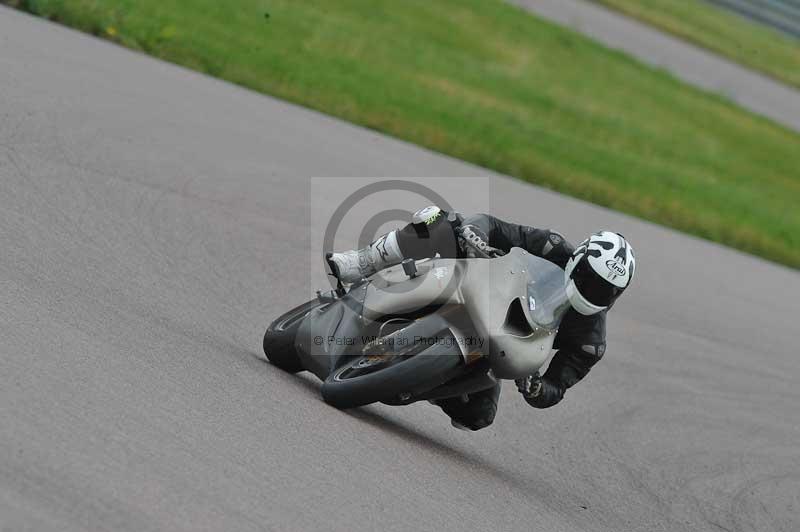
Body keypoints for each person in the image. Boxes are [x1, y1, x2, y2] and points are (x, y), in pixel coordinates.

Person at [327, 206, 636, 431]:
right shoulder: (550, 246)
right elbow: (494, 226)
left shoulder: (590, 342)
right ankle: (362, 262)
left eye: (607, 291)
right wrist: (475, 235)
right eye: (591, 281)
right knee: (444, 221)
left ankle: (418, 379)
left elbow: (556, 387)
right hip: (479, 286)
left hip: (497, 341)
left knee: (478, 415)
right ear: (578, 259)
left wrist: (537, 388)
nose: (595, 293)